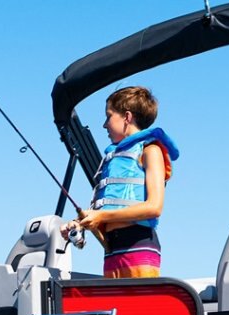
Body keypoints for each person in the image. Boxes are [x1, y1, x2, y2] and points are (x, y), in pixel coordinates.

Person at [63, 86, 180, 278]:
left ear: (127, 117)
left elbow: (154, 207)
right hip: (113, 249)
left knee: (135, 300)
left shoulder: (151, 151)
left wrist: (101, 216)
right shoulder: (113, 159)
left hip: (139, 246)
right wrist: (78, 224)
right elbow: (105, 208)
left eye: (108, 116)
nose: (104, 125)